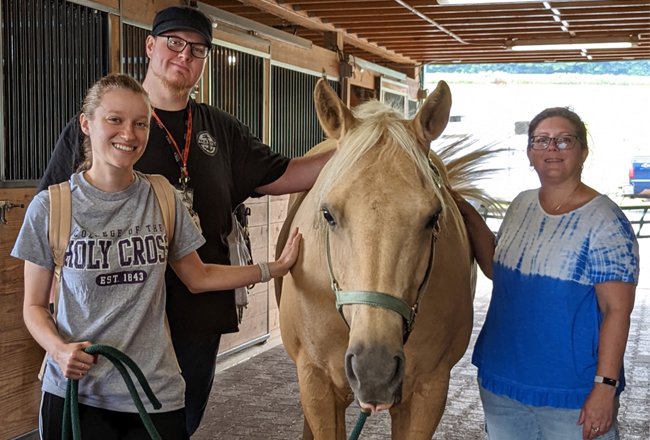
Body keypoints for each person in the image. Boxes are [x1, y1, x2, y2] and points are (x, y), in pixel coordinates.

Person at [36, 5, 332, 435]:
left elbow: (283, 173)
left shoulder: (220, 129)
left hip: (196, 308)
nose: (184, 55)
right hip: (111, 314)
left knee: (180, 422)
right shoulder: (100, 131)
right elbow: (49, 218)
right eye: (174, 43)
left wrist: (358, 149)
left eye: (197, 49)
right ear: (151, 46)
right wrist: (49, 318)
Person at [12, 73, 301, 439]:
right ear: (86, 124)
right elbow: (34, 306)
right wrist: (57, 349)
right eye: (114, 120)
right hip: (77, 391)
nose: (128, 134)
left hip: (153, 391)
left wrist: (272, 269)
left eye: (140, 123)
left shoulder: (162, 197)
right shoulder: (51, 206)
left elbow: (199, 278)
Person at [456, 107, 639, 440]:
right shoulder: (520, 205)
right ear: (529, 153)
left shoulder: (605, 221)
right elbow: (498, 270)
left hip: (572, 394)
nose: (552, 149)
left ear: (583, 151)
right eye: (541, 140)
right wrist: (465, 210)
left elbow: (617, 311)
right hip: (502, 384)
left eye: (564, 140)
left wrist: (605, 388)